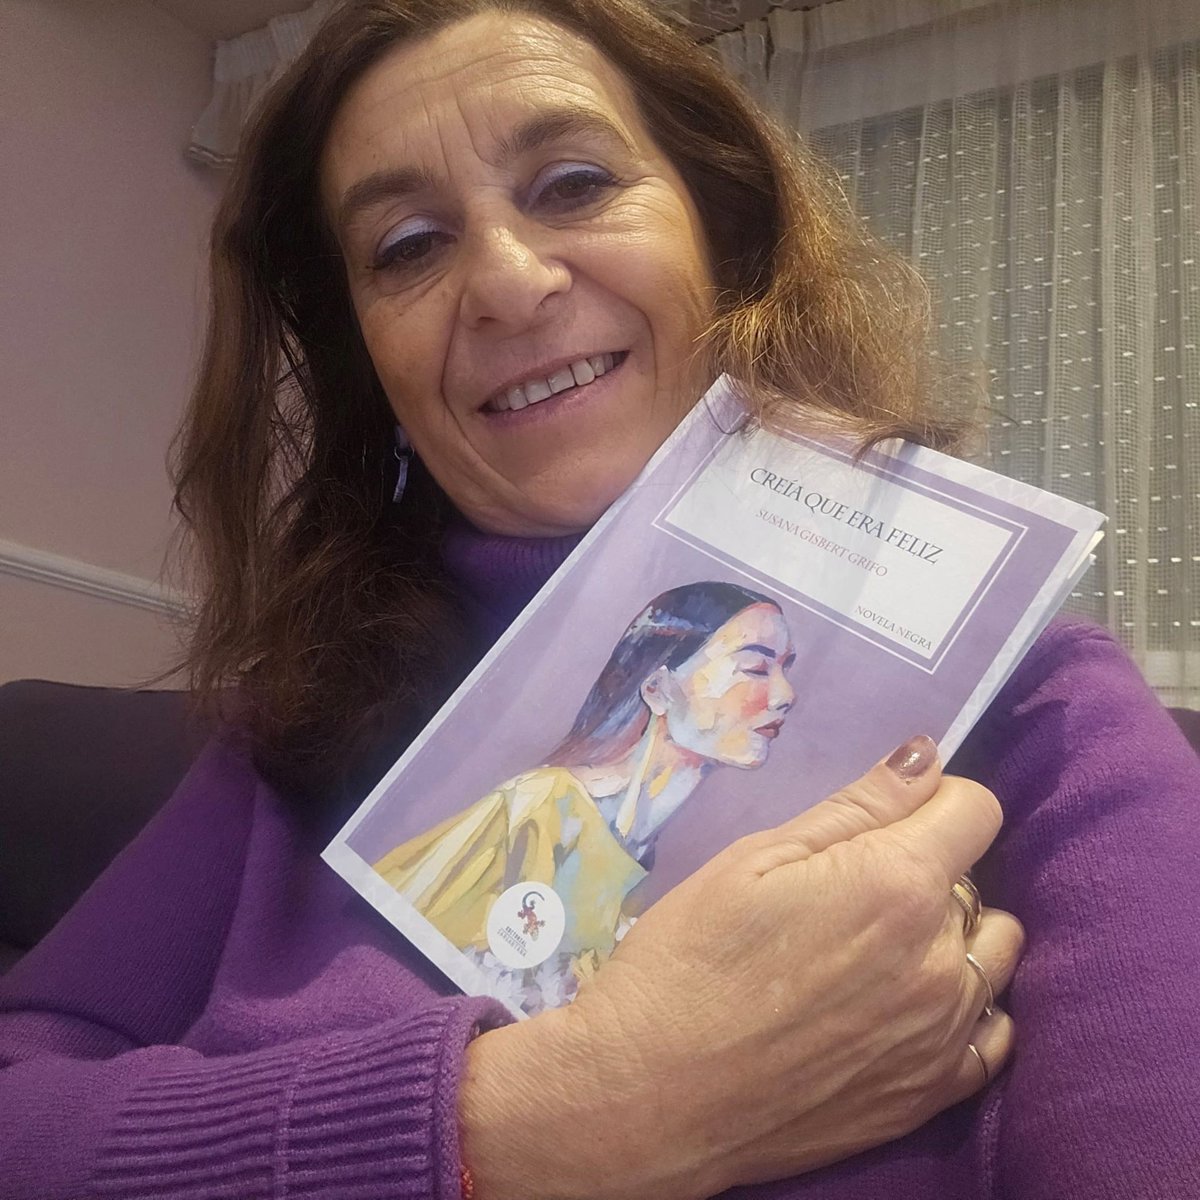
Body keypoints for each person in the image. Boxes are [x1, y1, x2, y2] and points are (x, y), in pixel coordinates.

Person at [1, 0, 1197, 1197]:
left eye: (573, 184)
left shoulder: (1048, 713)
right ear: (368, 356)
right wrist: (541, 1122)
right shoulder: (294, 736)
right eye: (408, 246)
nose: (508, 283)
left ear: (722, 237)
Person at [373, 581, 796, 1011]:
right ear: (658, 688)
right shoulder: (541, 807)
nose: (786, 696)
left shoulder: (639, 859)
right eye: (755, 668)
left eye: (785, 668)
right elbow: (387, 944)